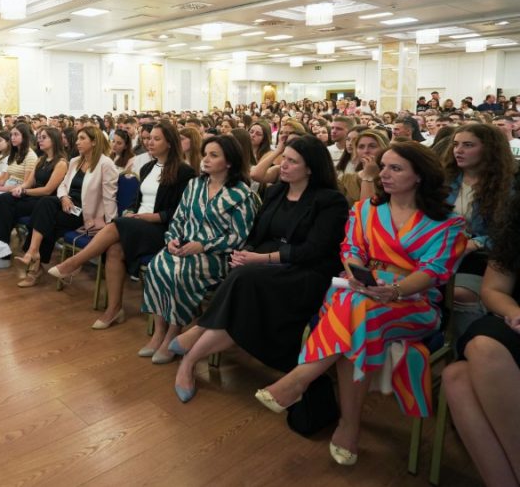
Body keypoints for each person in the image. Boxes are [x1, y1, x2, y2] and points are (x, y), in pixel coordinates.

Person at [255, 141, 466, 467]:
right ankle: (347, 424)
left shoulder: (448, 223)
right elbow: (351, 249)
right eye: (383, 167)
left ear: (420, 176)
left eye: (395, 168)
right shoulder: (365, 209)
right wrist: (358, 275)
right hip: (359, 290)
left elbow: (434, 271)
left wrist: (393, 290)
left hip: (413, 302)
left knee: (357, 312)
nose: (384, 174)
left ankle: (301, 380)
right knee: (359, 311)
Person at [168, 136, 349, 403]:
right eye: (283, 158)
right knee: (242, 287)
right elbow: (256, 233)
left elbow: (313, 250)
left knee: (244, 278)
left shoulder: (331, 201)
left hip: (304, 272)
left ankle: (194, 344)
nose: (283, 165)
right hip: (263, 264)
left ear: (310, 168)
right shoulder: (276, 192)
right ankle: (190, 360)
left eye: (292, 161)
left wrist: (259, 259)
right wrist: (245, 254)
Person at [48, 121, 196, 328]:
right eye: (148, 138)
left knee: (115, 225)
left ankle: (74, 263)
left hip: (161, 228)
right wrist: (130, 211)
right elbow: (137, 200)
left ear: (170, 143)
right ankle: (114, 309)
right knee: (115, 249)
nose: (150, 142)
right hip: (136, 223)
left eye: (156, 139)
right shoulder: (148, 167)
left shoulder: (184, 172)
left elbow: (182, 211)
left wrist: (151, 217)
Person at [140, 135, 259, 365]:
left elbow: (238, 237)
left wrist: (204, 245)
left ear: (229, 162)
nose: (205, 159)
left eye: (214, 155)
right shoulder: (195, 185)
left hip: (217, 255)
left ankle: (173, 333)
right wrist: (172, 240)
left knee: (179, 272)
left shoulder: (242, 194)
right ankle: (159, 332)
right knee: (156, 266)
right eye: (205, 154)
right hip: (185, 246)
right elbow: (179, 218)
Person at [443, 200, 520, 486]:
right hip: (513, 318)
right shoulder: (515, 225)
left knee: (461, 372)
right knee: (459, 373)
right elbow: (494, 289)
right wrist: (515, 313)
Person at [12, 127, 118, 288]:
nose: (77, 142)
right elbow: (63, 185)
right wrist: (64, 197)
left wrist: (111, 225)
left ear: (94, 142)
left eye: (82, 138)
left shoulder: (105, 164)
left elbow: (109, 197)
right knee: (45, 204)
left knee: (47, 219)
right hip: (67, 205)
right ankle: (33, 254)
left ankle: (34, 263)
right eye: (78, 138)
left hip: (84, 213)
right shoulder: (76, 161)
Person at [442, 123, 516, 338]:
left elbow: (508, 234)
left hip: (483, 258)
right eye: (455, 144)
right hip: (443, 250)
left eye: (468, 145)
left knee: (458, 293)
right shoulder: (445, 180)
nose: (458, 150)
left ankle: (466, 343)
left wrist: (477, 242)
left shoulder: (508, 186)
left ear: (489, 149)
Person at [0, 127, 68, 267]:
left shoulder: (61, 163)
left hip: (44, 201)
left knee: (8, 206)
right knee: (4, 198)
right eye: (39, 137)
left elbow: (48, 190)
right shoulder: (41, 159)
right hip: (32, 195)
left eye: (44, 137)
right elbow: (29, 182)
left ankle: (1, 248)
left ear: (54, 140)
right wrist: (19, 188)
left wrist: (24, 191)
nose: (39, 140)